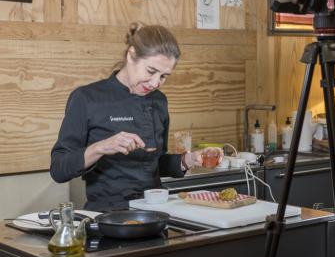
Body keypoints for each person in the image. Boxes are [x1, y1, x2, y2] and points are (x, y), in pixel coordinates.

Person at [50, 23, 222, 211]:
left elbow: (156, 161)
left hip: (156, 213)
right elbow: (59, 169)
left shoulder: (159, 101)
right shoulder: (87, 98)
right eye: (151, 71)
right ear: (131, 55)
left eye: (164, 76)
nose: (156, 83)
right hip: (108, 216)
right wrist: (101, 147)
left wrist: (187, 160)